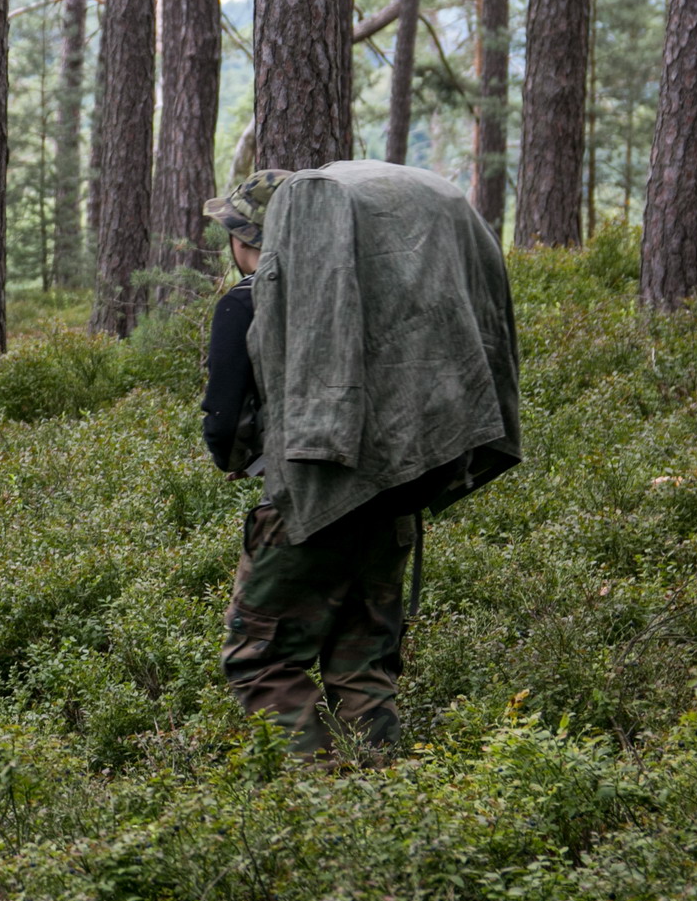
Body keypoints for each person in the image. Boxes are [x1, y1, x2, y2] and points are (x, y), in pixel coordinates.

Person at [201, 163, 519, 759]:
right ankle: (377, 790)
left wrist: (237, 458)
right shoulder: (378, 294)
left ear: (247, 241)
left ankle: (318, 795)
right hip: (394, 495)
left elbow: (223, 424)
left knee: (260, 660)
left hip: (310, 504)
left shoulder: (246, 303)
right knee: (363, 664)